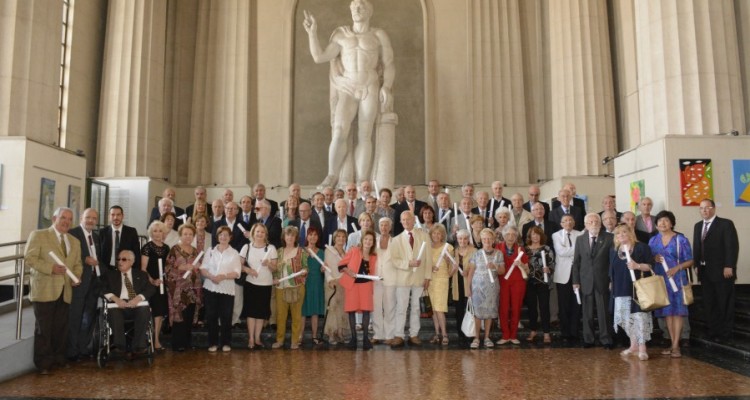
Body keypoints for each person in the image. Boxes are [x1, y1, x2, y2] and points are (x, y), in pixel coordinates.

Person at [303, 0, 395, 187]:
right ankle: (332, 175)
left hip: (370, 85)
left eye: (360, 6)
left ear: (369, 11)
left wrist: (386, 86)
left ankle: (362, 181)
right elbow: (319, 57)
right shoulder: (341, 35)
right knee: (339, 131)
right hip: (348, 86)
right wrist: (312, 33)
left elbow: (389, 64)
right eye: (353, 7)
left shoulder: (378, 35)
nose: (356, 9)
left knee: (365, 134)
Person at [24, 207, 83, 374]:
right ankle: (43, 364)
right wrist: (51, 268)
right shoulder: (39, 235)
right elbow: (30, 258)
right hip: (44, 290)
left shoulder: (74, 241)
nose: (66, 222)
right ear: (54, 218)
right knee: (44, 329)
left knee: (61, 328)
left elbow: (77, 264)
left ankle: (58, 359)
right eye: (63, 218)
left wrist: (76, 276)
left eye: (69, 219)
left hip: (65, 291)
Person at [692, 199, 739, 342]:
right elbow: (697, 247)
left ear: (713, 209)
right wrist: (696, 265)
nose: (704, 211)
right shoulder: (698, 226)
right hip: (705, 271)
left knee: (723, 302)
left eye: (707, 207)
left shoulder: (725, 224)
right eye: (701, 208)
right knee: (709, 302)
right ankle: (713, 332)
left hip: (722, 271)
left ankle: (725, 333)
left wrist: (729, 265)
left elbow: (732, 246)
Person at [648, 210, 693, 357]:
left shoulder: (681, 239)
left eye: (666, 220)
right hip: (661, 280)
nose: (662, 223)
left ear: (672, 223)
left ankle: (676, 346)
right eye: (660, 221)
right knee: (668, 314)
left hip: (677, 279)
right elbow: (650, 259)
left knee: (678, 313)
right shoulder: (653, 240)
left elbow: (690, 260)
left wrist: (676, 268)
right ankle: (672, 343)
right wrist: (654, 259)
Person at [388, 211, 432, 347]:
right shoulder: (395, 240)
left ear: (414, 220)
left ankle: (414, 334)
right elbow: (394, 260)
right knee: (401, 308)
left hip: (419, 278)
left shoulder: (424, 236)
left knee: (416, 308)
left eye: (408, 219)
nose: (406, 222)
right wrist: (408, 263)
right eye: (403, 220)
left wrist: (428, 277)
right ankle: (399, 335)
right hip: (402, 279)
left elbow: (428, 258)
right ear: (400, 222)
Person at [610, 224, 654, 361]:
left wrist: (637, 266)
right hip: (620, 288)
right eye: (618, 233)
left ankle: (642, 348)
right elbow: (611, 270)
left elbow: (651, 266)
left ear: (631, 232)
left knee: (639, 317)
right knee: (625, 318)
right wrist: (611, 283)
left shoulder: (641, 247)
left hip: (637, 289)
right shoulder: (614, 250)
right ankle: (633, 345)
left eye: (624, 232)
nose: (621, 235)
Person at [572, 213, 615, 349]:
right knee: (587, 313)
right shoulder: (580, 239)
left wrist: (611, 279)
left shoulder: (609, 238)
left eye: (596, 221)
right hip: (585, 281)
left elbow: (613, 262)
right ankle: (588, 339)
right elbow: (576, 262)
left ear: (601, 223)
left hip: (603, 280)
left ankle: (606, 339)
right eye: (590, 222)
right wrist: (575, 281)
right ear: (585, 225)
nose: (594, 224)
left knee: (603, 313)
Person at [102, 250, 154, 358]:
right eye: (118, 259)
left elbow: (150, 289)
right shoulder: (110, 275)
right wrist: (115, 298)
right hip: (118, 306)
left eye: (124, 259)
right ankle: (119, 346)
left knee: (144, 310)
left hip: (136, 305)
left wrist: (138, 299)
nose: (120, 262)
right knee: (114, 312)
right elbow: (100, 288)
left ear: (132, 262)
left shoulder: (141, 274)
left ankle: (139, 346)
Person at [200, 226, 242, 352]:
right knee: (211, 316)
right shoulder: (210, 250)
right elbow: (203, 268)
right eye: (221, 235)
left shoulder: (234, 253)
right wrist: (211, 276)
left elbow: (237, 273)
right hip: (210, 287)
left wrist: (223, 276)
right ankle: (212, 343)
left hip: (227, 288)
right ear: (217, 237)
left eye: (226, 235)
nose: (223, 237)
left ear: (230, 237)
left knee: (226, 316)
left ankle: (226, 342)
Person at [66, 208, 101, 362]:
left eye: (94, 218)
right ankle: (72, 351)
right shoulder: (73, 233)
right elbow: (68, 255)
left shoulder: (97, 236)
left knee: (89, 317)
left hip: (94, 283)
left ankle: (83, 348)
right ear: (81, 218)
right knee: (75, 316)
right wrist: (84, 259)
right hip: (79, 281)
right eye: (88, 217)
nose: (91, 221)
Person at [239, 223, 278, 349]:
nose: (260, 234)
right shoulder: (246, 247)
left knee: (261, 313)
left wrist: (268, 264)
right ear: (253, 233)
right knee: (251, 312)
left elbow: (275, 268)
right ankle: (250, 338)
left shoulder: (271, 248)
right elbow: (239, 265)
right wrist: (248, 270)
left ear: (265, 234)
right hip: (251, 283)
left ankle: (257, 338)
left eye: (262, 232)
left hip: (265, 284)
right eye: (257, 232)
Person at [338, 230, 379, 350]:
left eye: (370, 240)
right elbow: (341, 264)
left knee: (366, 311)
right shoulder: (354, 250)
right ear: (362, 240)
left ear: (373, 243)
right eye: (366, 239)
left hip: (366, 285)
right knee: (351, 311)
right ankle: (353, 338)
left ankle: (366, 338)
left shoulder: (374, 256)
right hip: (353, 285)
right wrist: (348, 271)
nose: (368, 241)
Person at [165, 224, 203, 352]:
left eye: (190, 234)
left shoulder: (195, 251)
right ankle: (178, 343)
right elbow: (168, 269)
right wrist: (182, 267)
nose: (188, 236)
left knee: (189, 315)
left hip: (192, 288)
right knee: (179, 315)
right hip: (178, 288)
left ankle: (187, 342)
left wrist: (197, 266)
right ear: (180, 235)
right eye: (185, 234)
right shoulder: (174, 249)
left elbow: (199, 268)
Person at [272, 226, 309, 349]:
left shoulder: (301, 252)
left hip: (297, 287)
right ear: (284, 237)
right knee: (280, 316)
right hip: (280, 288)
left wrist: (304, 271)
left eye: (292, 235)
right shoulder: (278, 252)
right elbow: (274, 270)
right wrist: (275, 277)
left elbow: (305, 267)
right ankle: (280, 340)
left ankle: (294, 341)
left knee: (296, 316)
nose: (290, 237)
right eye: (288, 235)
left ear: (296, 238)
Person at [467, 228, 503, 349]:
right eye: (484, 239)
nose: (487, 240)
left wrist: (495, 266)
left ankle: (487, 337)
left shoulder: (498, 253)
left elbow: (502, 271)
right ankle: (476, 338)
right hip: (477, 287)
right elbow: (470, 272)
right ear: (481, 240)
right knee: (477, 313)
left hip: (492, 288)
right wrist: (468, 288)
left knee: (489, 312)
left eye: (489, 238)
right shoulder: (476, 254)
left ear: (493, 239)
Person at [552, 214, 583, 343]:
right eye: (565, 221)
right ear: (561, 224)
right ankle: (565, 332)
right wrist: (578, 248)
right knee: (563, 304)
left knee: (576, 304)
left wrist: (572, 250)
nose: (568, 222)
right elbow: (561, 252)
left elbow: (580, 252)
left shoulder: (580, 234)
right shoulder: (556, 235)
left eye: (570, 220)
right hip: (562, 274)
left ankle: (574, 331)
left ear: (574, 222)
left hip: (578, 273)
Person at [496, 225, 529, 345]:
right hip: (503, 281)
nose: (510, 237)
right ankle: (505, 335)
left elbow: (527, 269)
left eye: (513, 235)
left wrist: (520, 264)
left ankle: (513, 335)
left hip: (518, 282)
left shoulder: (521, 249)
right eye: (508, 234)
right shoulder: (498, 248)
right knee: (503, 308)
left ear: (516, 237)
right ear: (503, 236)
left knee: (516, 308)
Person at [140, 220, 170, 351]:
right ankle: (147, 340)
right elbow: (143, 268)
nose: (157, 234)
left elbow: (168, 267)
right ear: (151, 233)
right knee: (150, 312)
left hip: (163, 284)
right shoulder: (147, 247)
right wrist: (152, 281)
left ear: (164, 233)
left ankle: (156, 340)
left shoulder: (166, 248)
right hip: (150, 284)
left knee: (160, 312)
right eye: (155, 231)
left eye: (160, 231)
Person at [524, 226, 555, 344]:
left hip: (543, 281)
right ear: (529, 236)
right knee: (532, 308)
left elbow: (552, 263)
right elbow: (522, 264)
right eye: (533, 234)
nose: (535, 236)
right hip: (529, 281)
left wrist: (549, 269)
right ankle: (533, 330)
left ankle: (546, 333)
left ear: (541, 235)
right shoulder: (525, 249)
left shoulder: (546, 248)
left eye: (537, 234)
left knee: (544, 307)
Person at [427, 224, 455, 346]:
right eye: (434, 233)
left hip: (442, 279)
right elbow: (425, 264)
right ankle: (437, 333)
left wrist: (448, 263)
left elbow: (454, 266)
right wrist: (429, 268)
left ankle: (444, 334)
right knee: (433, 309)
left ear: (443, 235)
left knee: (439, 308)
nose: (436, 235)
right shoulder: (428, 247)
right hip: (430, 280)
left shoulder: (448, 247)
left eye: (439, 233)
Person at [323, 229, 350, 345]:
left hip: (343, 283)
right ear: (334, 238)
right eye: (338, 236)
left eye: (343, 237)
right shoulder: (329, 250)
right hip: (332, 282)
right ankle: (331, 334)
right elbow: (326, 267)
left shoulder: (346, 252)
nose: (341, 239)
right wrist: (330, 280)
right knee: (332, 307)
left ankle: (340, 332)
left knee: (342, 309)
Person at [301, 227, 326, 347]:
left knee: (315, 311)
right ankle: (299, 336)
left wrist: (323, 270)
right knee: (303, 311)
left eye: (315, 235)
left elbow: (323, 269)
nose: (313, 237)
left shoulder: (321, 252)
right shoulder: (301, 251)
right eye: (310, 235)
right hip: (305, 282)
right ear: (307, 236)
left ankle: (314, 335)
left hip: (317, 283)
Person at [452, 230, 476, 345]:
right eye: (460, 238)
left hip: (470, 285)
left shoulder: (474, 251)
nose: (463, 241)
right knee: (459, 311)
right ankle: (461, 335)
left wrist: (468, 270)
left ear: (468, 239)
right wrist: (452, 267)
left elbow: (475, 266)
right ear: (457, 240)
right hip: (458, 285)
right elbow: (450, 272)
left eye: (465, 238)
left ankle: (470, 334)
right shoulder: (454, 251)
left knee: (470, 311)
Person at [100, 205, 141, 273]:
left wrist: (136, 272)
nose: (116, 217)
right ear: (109, 216)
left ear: (122, 216)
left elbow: (136, 254)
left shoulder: (131, 232)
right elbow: (99, 254)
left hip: (126, 270)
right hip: (107, 271)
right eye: (113, 215)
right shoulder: (102, 232)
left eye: (118, 215)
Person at [373, 217, 392, 344]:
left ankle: (389, 335)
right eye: (381, 225)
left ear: (390, 227)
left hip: (391, 279)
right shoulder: (374, 241)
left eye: (386, 225)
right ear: (378, 227)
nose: (384, 228)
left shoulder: (395, 242)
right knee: (376, 307)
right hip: (376, 278)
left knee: (389, 307)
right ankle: (377, 334)